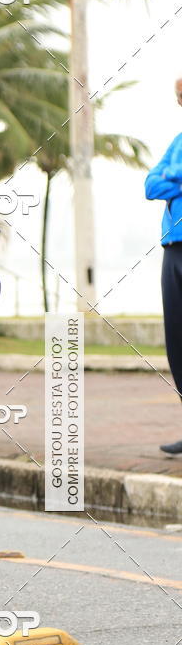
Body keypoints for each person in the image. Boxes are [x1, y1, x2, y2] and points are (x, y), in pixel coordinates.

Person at [145, 77, 182, 454]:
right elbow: (151, 186)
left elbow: (164, 184)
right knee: (177, 343)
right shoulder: (177, 144)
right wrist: (176, 178)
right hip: (173, 249)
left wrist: (171, 179)